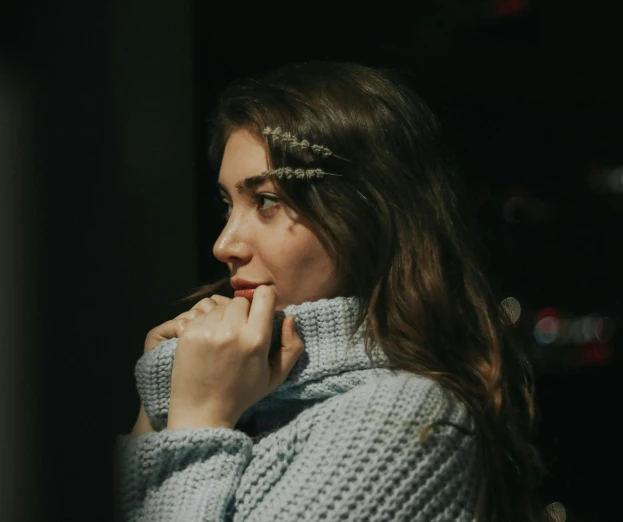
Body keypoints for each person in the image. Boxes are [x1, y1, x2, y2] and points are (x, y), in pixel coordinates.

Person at [114, 61, 549, 522]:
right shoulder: (244, 393)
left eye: (266, 201)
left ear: (364, 218)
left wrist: (197, 421)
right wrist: (158, 405)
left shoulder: (402, 418)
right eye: (228, 204)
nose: (225, 245)